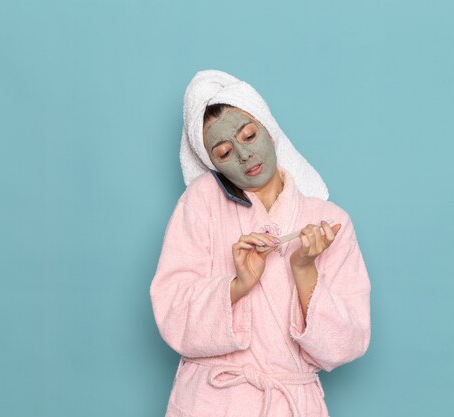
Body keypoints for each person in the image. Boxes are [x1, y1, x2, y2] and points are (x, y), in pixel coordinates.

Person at [150, 70, 371, 417]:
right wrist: (237, 287)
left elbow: (347, 343)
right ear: (214, 164)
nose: (243, 155)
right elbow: (171, 313)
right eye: (223, 152)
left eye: (249, 135)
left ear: (268, 126)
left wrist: (304, 270)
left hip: (289, 403)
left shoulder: (329, 221)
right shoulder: (201, 202)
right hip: (211, 402)